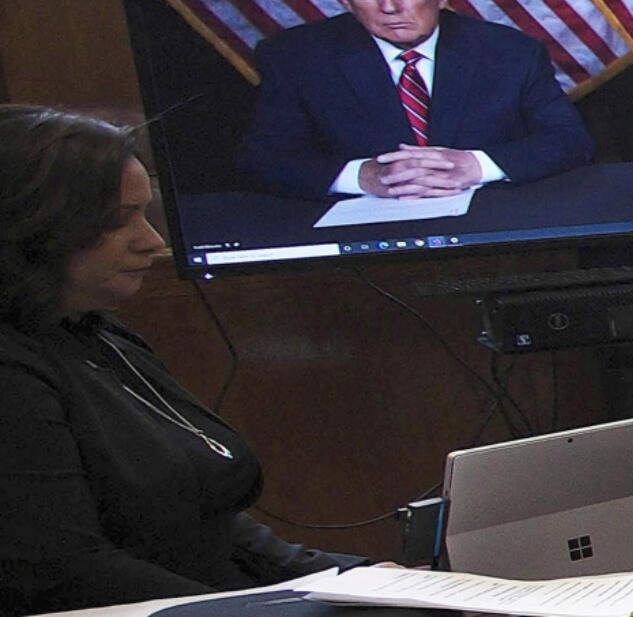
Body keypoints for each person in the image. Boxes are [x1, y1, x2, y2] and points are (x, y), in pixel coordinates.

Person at [0, 106, 369, 615]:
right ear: (29, 228)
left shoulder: (97, 334)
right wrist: (270, 610)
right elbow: (65, 572)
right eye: (116, 222)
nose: (153, 244)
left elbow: (206, 517)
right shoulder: (12, 371)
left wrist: (347, 577)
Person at [239, 0, 594, 201]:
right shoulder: (296, 57)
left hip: (487, 221)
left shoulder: (511, 52)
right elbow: (265, 158)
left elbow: (569, 140)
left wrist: (475, 165)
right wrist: (361, 176)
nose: (389, 6)